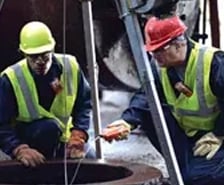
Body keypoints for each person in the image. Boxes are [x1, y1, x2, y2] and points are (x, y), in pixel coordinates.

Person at [101, 15, 224, 185]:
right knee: (151, 114)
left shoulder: (214, 63)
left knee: (197, 179)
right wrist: (127, 121)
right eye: (152, 50)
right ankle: (186, 167)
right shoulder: (159, 66)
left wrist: (219, 134)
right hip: (188, 136)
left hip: (216, 137)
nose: (155, 55)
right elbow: (146, 96)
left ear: (179, 43)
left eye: (160, 49)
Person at [0, 21, 95, 167]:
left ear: (52, 48)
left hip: (63, 137)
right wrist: (18, 149)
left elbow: (83, 104)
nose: (40, 62)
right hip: (31, 137)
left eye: (44, 55)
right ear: (24, 53)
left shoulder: (70, 66)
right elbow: (1, 124)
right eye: (33, 57)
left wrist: (78, 134)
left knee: (90, 159)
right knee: (48, 128)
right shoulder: (11, 78)